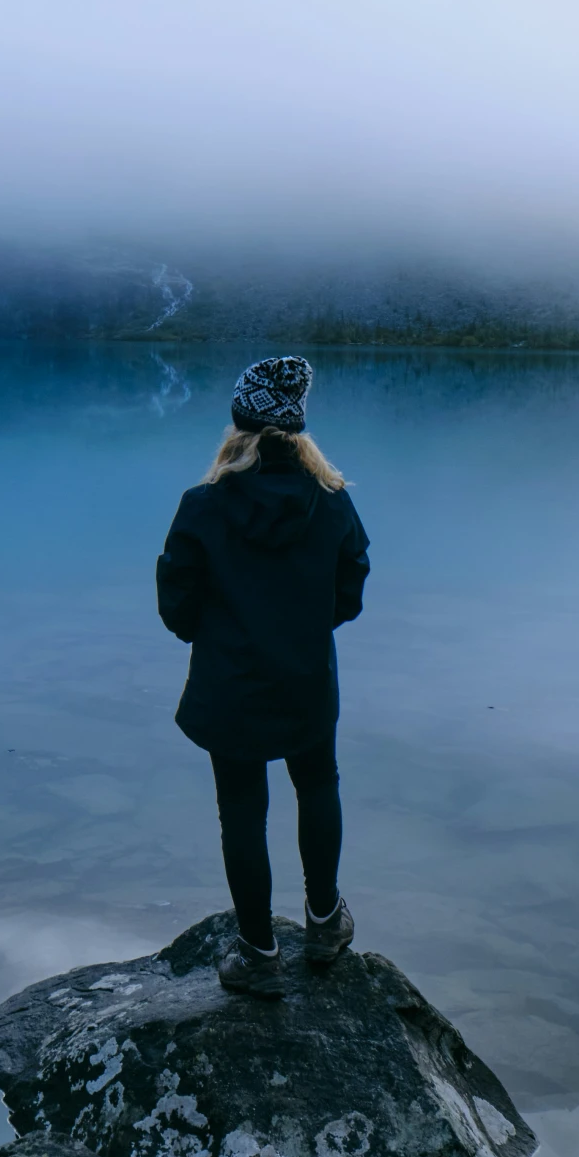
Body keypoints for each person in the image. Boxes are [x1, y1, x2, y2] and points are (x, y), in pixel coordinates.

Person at [156, 355, 371, 998]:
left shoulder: (203, 505)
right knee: (318, 785)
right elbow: (351, 590)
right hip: (305, 678)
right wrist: (303, 629)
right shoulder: (331, 504)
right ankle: (326, 923)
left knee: (243, 812)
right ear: (298, 434)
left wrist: (219, 638)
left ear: (238, 429)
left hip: (232, 685)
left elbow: (176, 603)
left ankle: (258, 952)